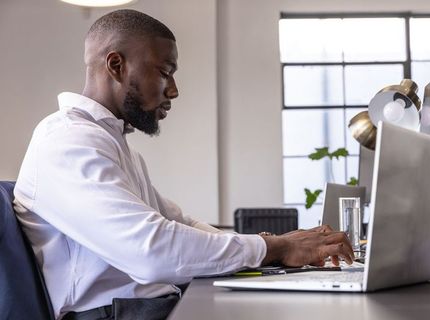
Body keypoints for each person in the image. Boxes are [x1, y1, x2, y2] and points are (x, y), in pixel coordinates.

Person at [13, 9, 354, 320]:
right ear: (116, 66)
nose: (173, 91)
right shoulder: (68, 141)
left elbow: (179, 222)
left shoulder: (111, 141)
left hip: (147, 308)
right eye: (165, 72)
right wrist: (275, 248)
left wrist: (275, 246)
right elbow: (152, 250)